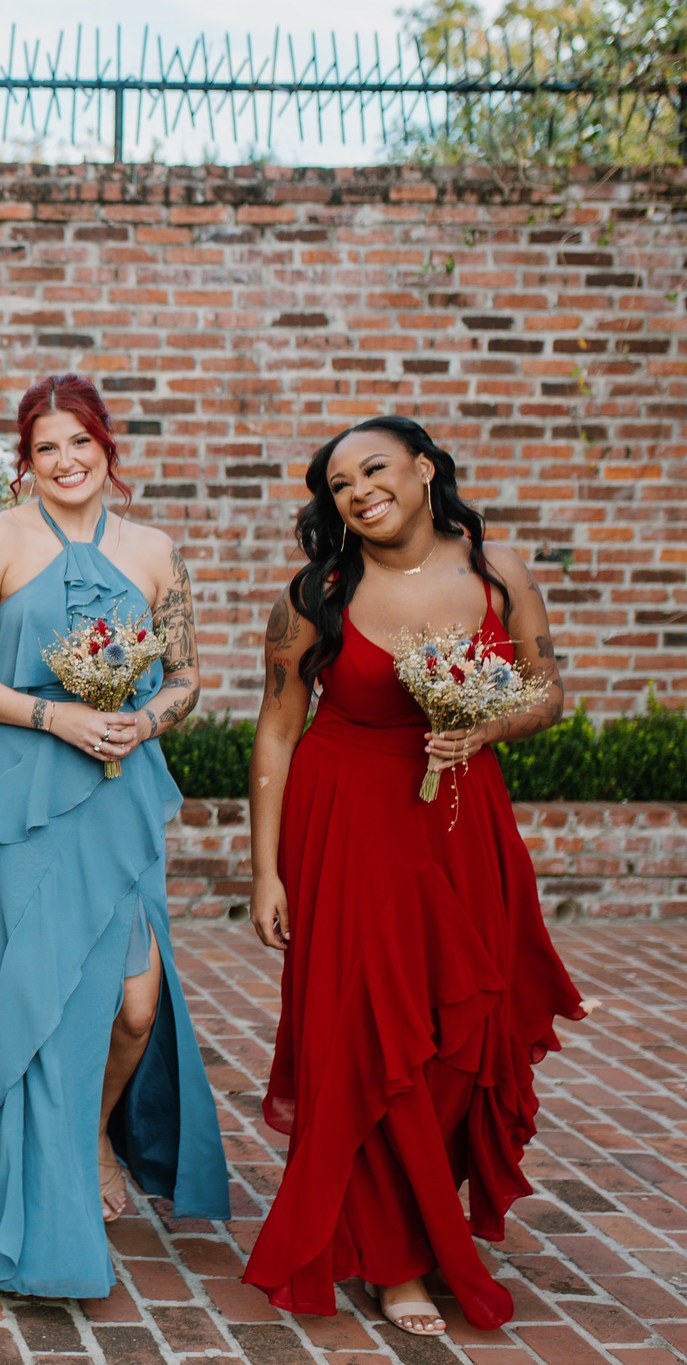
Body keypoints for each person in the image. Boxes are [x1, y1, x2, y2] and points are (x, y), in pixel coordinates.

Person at [242, 417, 585, 1336]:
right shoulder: (316, 591)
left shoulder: (496, 573)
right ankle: (395, 1262)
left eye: (376, 469)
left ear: (426, 470)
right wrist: (265, 871)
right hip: (348, 824)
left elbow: (547, 690)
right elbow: (276, 730)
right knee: (366, 1035)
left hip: (462, 825)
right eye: (340, 481)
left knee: (455, 1034)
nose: (358, 490)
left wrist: (486, 728)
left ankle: (423, 1223)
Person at [0, 374, 228, 1297]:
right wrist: (48, 718)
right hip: (23, 791)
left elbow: (185, 677)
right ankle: (37, 1194)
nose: (64, 461)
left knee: (133, 1007)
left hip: (117, 795)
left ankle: (92, 1128)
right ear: (26, 460)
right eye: (44, 447)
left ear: (109, 449)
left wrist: (147, 720)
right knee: (33, 1003)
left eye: (79, 444)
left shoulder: (153, 551)